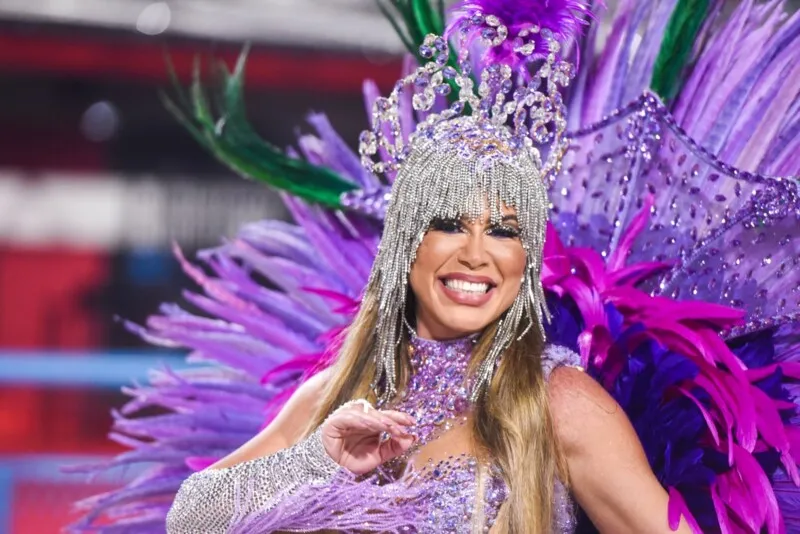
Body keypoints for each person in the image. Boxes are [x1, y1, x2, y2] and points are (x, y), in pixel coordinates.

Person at [70, 1, 800, 533]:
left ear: (527, 259)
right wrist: (314, 463)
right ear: (405, 243)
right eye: (450, 222)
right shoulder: (337, 395)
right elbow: (190, 516)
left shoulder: (562, 403)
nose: (477, 254)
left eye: (506, 232)